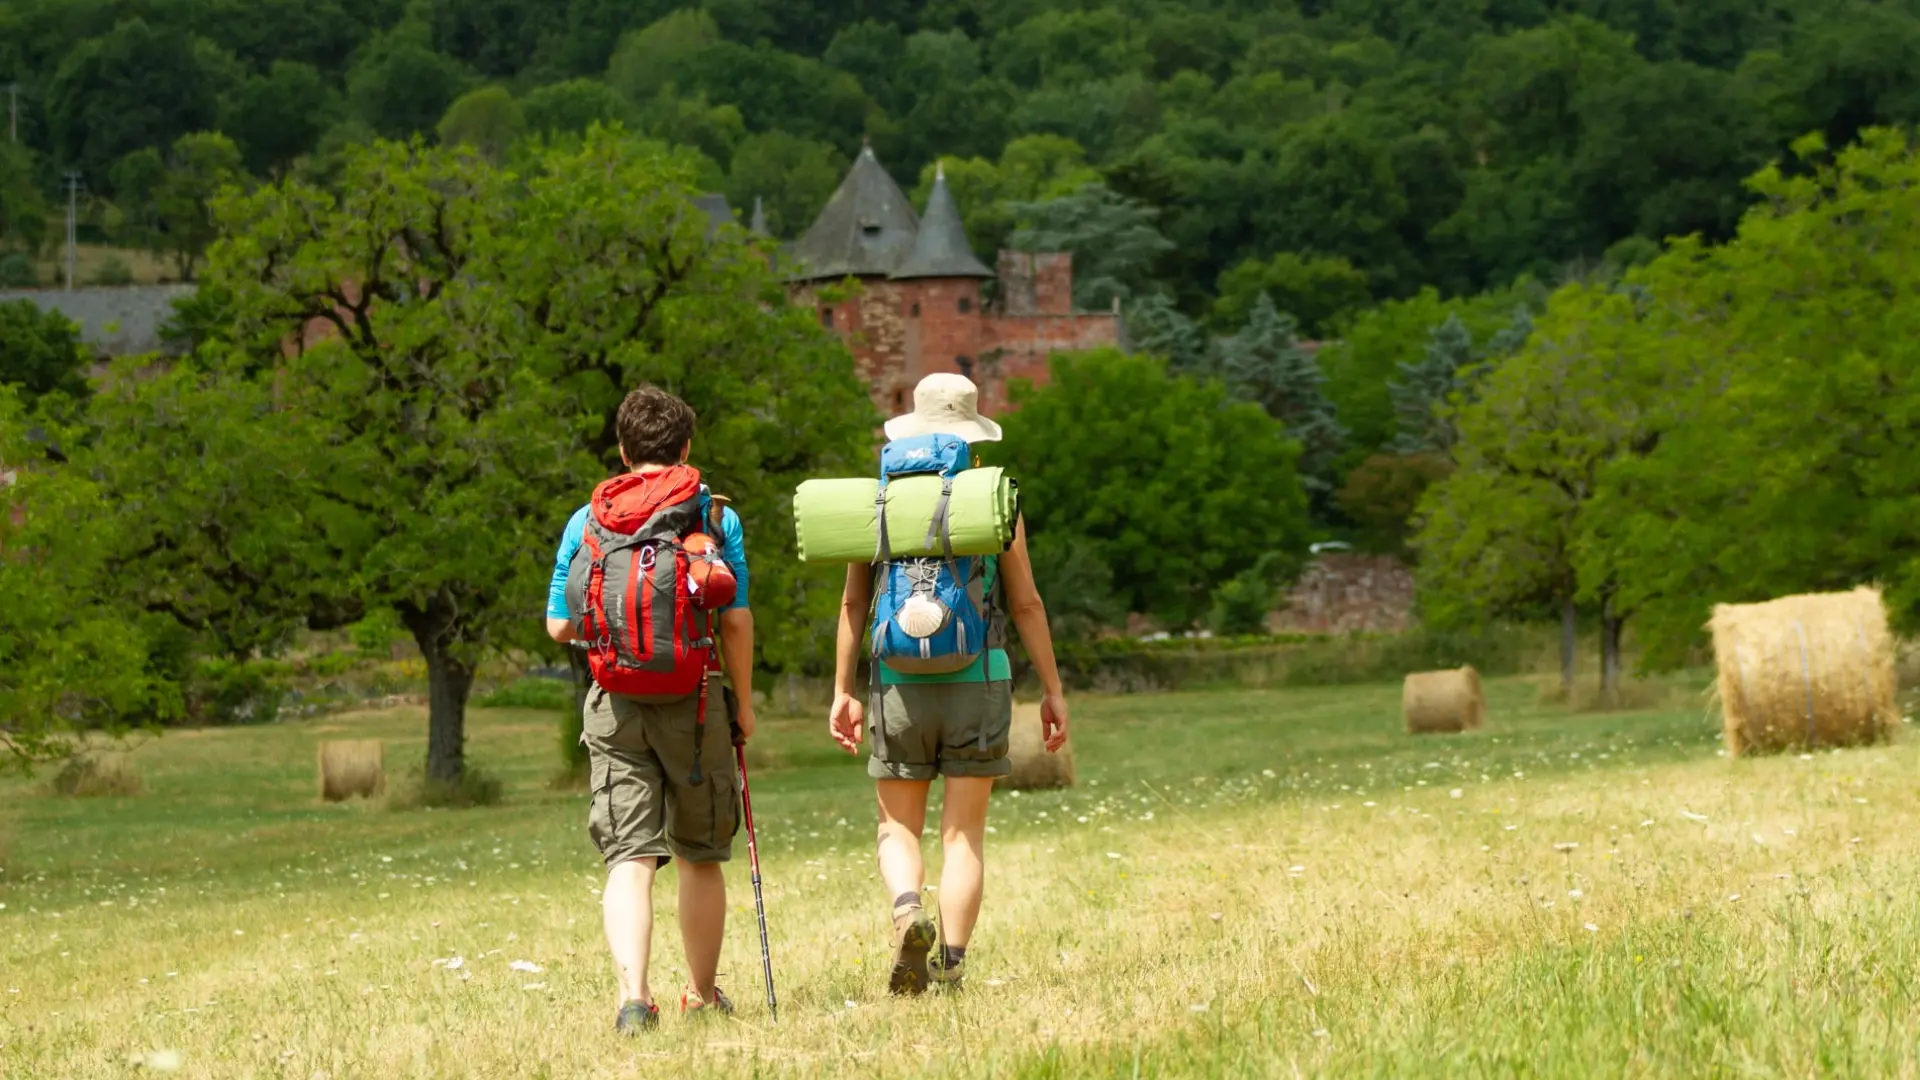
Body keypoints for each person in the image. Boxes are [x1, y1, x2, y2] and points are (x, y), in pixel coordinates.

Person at [827, 373, 1069, 995]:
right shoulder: (994, 500)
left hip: (896, 684)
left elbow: (856, 604)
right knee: (963, 833)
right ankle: (951, 965)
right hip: (979, 678)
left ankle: (909, 907)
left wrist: (842, 691)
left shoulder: (875, 502)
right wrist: (1052, 689)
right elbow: (1028, 605)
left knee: (896, 828)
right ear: (971, 434)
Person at [545, 386, 756, 1034]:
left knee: (630, 858)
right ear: (686, 447)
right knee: (699, 851)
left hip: (615, 705)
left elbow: (558, 624)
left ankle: (634, 999)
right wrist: (742, 706)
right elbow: (737, 619)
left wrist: (617, 641)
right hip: (695, 701)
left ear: (622, 448)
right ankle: (700, 991)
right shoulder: (713, 515)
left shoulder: (588, 521)